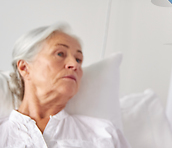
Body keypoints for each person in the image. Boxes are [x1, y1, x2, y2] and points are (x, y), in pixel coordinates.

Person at [0, 23, 130, 148]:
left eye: (79, 59)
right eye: (60, 54)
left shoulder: (104, 134)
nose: (75, 65)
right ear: (24, 68)